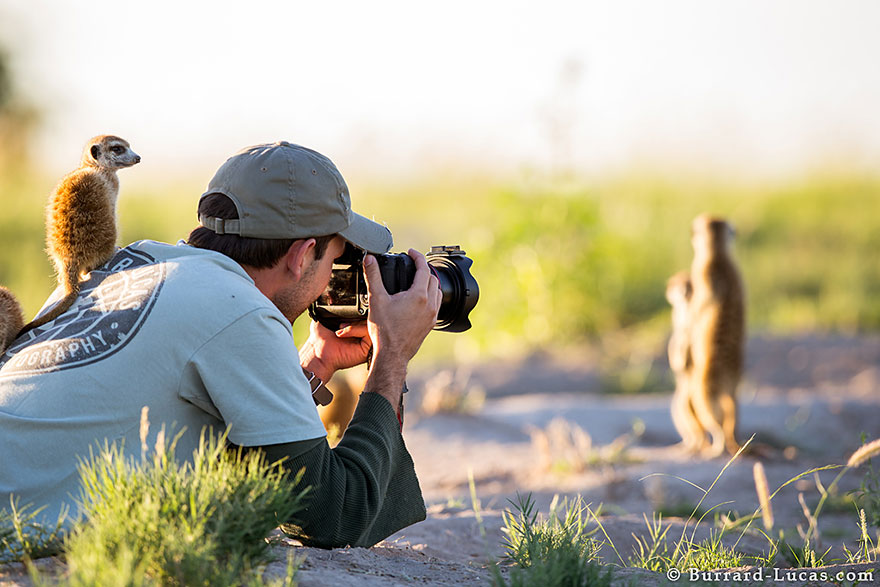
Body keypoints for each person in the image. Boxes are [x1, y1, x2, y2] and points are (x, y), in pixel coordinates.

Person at [0, 141, 441, 548]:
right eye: (334, 259)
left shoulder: (125, 264)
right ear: (302, 255)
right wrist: (392, 359)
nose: (330, 280)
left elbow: (247, 447)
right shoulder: (241, 310)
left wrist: (316, 363)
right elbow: (333, 515)